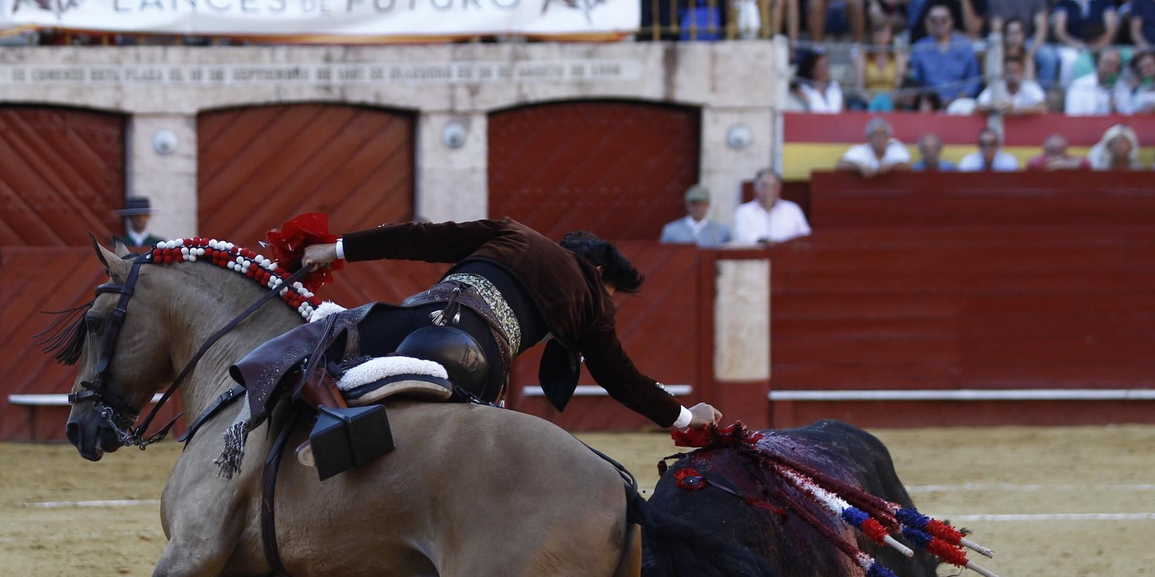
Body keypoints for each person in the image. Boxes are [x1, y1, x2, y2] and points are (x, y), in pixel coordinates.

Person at [297, 219, 723, 428]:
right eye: (611, 292)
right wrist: (686, 417)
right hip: (483, 374)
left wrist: (334, 250)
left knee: (309, 351)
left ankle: (330, 428)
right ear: (596, 273)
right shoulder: (592, 300)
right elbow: (623, 380)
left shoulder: (512, 233)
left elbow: (420, 238)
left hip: (424, 320)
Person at [986, 0, 1056, 86]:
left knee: (1048, 57)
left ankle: (1041, 96)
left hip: (1029, 41)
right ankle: (997, 93)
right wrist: (1008, 47)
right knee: (992, 53)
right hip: (1007, 41)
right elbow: (997, 29)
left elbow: (1041, 27)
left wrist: (1031, 51)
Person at [908, 4, 981, 109]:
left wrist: (959, 98)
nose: (939, 24)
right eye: (934, 20)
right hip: (930, 104)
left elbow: (973, 78)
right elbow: (916, 80)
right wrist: (931, 100)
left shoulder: (964, 45)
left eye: (943, 20)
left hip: (960, 102)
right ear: (928, 22)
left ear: (951, 21)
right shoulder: (920, 48)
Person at [732, 167, 810, 243]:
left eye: (774, 186)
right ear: (755, 188)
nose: (769, 190)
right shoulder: (743, 211)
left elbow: (805, 238)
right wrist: (766, 243)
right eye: (764, 186)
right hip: (757, 255)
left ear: (779, 188)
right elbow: (742, 237)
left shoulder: (792, 209)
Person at [660, 185, 733, 245]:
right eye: (693, 203)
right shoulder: (671, 231)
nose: (697, 207)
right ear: (687, 205)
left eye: (700, 203)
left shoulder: (721, 231)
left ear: (708, 205)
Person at [975, 54, 1046, 116]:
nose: (1013, 75)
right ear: (1004, 73)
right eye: (1010, 71)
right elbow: (978, 107)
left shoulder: (1030, 86)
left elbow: (1042, 107)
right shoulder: (997, 87)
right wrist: (993, 106)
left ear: (1022, 72)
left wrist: (1016, 110)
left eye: (1016, 71)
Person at [838, 116, 913, 176]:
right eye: (875, 134)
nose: (879, 138)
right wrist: (859, 168)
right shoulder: (860, 150)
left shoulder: (896, 147)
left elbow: (907, 165)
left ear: (888, 137)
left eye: (883, 134)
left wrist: (891, 167)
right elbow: (840, 165)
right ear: (868, 138)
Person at [1065, 47, 1128, 113]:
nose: (1109, 69)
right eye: (1107, 64)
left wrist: (1115, 109)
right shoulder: (1078, 86)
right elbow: (1073, 116)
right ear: (1097, 63)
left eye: (1113, 65)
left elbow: (1127, 118)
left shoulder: (1123, 88)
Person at [861, 18, 905, 108]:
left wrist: (888, 103)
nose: (880, 35)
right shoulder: (862, 56)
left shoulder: (898, 56)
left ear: (890, 35)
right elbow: (859, 88)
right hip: (868, 103)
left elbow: (899, 85)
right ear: (871, 34)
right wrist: (873, 103)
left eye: (884, 31)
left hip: (892, 102)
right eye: (877, 31)